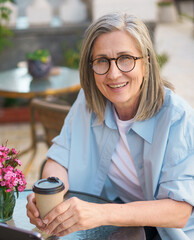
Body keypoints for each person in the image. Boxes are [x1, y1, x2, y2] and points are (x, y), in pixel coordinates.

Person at [26, 12, 194, 240]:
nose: (113, 74)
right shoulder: (87, 101)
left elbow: (179, 211)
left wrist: (100, 214)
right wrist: (49, 197)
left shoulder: (177, 117)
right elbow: (59, 158)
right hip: (121, 219)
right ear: (91, 66)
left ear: (145, 63)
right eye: (102, 61)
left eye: (126, 58)